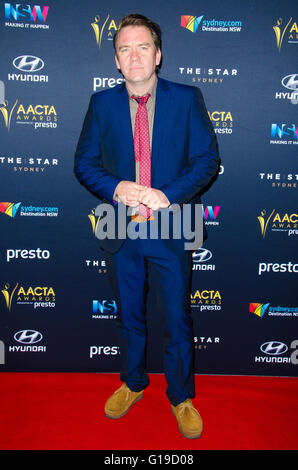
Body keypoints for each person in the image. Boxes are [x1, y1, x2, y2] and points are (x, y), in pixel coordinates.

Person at [74, 13, 219, 439]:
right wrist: (117, 185)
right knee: (129, 314)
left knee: (177, 317)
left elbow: (207, 160)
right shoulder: (101, 104)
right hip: (120, 226)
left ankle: (181, 397)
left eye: (142, 47)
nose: (133, 56)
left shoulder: (187, 98)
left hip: (174, 224)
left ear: (157, 55)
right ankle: (133, 382)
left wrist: (167, 194)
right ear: (116, 62)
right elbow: (84, 163)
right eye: (124, 49)